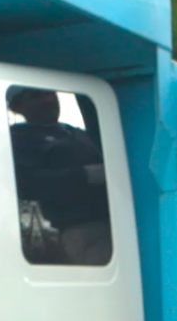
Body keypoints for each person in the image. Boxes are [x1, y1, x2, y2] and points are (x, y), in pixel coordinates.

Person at [7, 87, 112, 265]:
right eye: (36, 96)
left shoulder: (77, 133)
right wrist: (86, 175)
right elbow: (26, 183)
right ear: (17, 107)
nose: (48, 100)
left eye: (50, 93)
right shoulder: (19, 139)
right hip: (84, 228)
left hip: (116, 221)